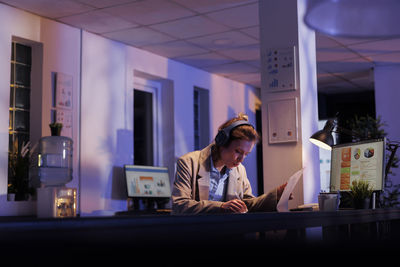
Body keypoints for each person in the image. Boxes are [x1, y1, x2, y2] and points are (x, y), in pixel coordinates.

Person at [172, 113, 291, 214]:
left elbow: (248, 205)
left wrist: (276, 196)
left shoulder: (240, 170)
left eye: (246, 154)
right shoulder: (188, 162)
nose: (241, 159)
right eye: (238, 151)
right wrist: (221, 207)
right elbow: (180, 205)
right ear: (221, 142)